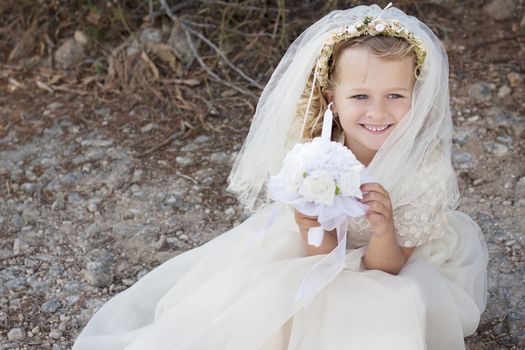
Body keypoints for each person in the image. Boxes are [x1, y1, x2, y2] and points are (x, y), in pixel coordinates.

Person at [73, 4, 488, 349]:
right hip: (321, 251)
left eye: (395, 97)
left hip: (395, 259)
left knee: (385, 306)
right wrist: (310, 225)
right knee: (264, 295)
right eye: (360, 96)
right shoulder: (316, 155)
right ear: (333, 100)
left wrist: (382, 231)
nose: (377, 112)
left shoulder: (425, 171)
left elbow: (389, 269)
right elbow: (321, 253)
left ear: (416, 97)